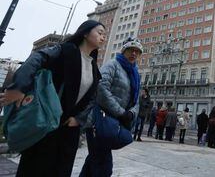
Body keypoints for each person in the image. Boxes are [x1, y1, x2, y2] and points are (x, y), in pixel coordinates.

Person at [0, 20, 105, 177]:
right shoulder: (64, 50)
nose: (103, 37)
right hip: (46, 122)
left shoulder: (94, 68)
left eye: (104, 35)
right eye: (99, 32)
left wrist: (79, 119)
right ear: (85, 33)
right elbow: (37, 58)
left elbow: (93, 98)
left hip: (69, 131)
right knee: (34, 169)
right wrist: (19, 87)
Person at [80, 37, 142, 177]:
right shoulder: (113, 64)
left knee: (95, 159)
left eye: (137, 52)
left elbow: (136, 100)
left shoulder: (135, 74)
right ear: (124, 50)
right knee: (103, 164)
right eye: (131, 50)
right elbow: (101, 88)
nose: (134, 53)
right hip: (99, 120)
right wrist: (121, 112)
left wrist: (131, 114)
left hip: (113, 122)